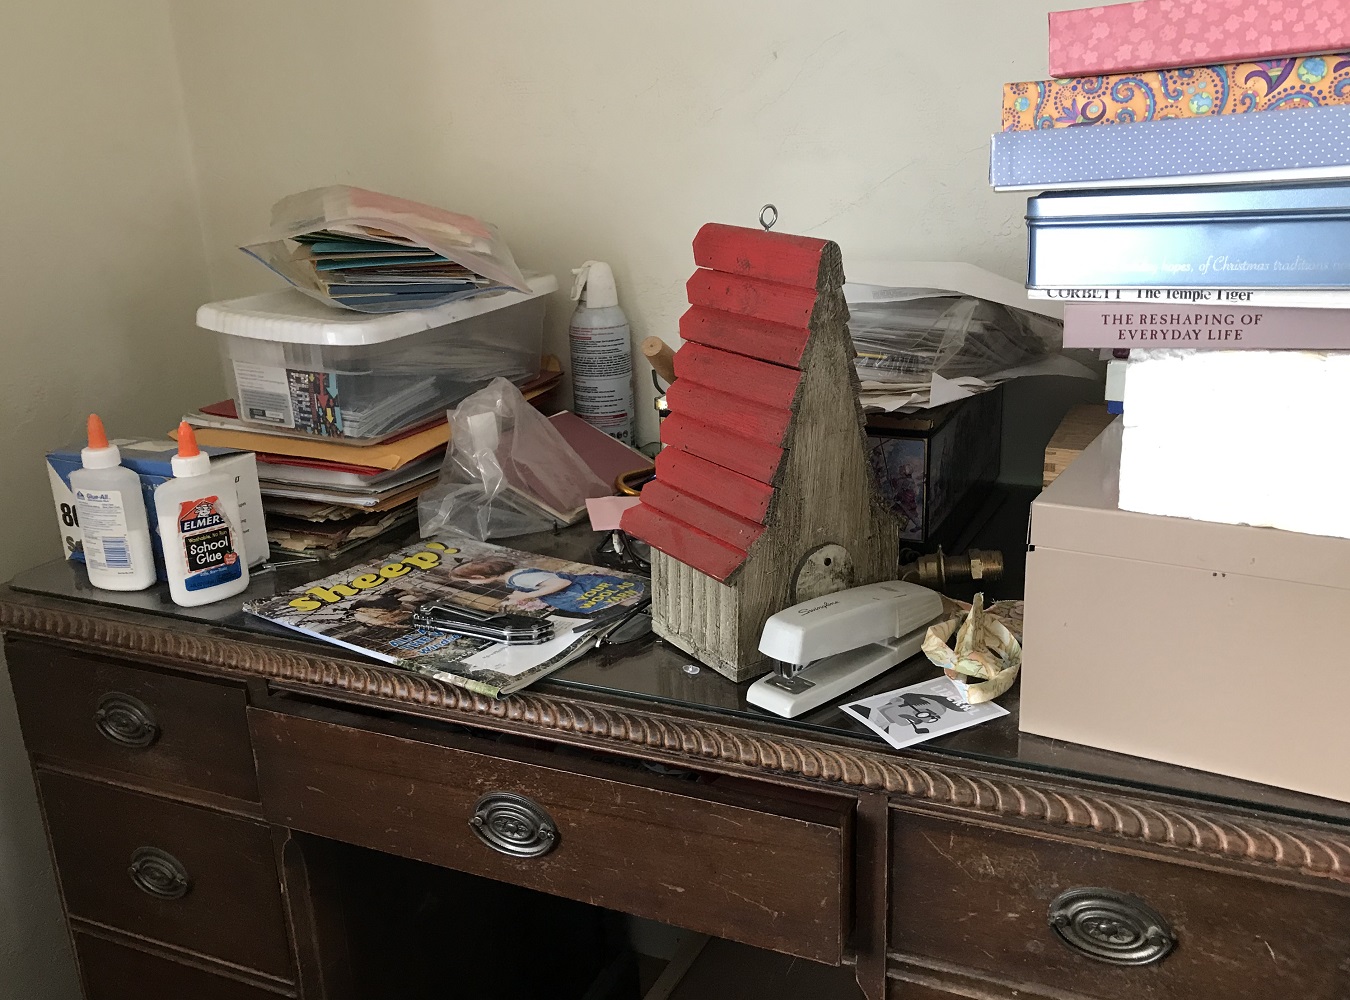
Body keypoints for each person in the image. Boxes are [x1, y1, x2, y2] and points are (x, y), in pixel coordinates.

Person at [449, 557, 643, 615]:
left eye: (469, 580)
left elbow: (561, 583)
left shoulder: (517, 579)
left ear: (479, 576)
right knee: (623, 600)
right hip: (582, 589)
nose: (470, 583)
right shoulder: (514, 578)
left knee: (627, 601)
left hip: (580, 591)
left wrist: (527, 597)